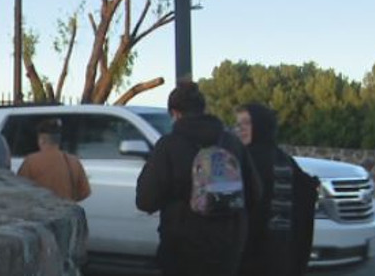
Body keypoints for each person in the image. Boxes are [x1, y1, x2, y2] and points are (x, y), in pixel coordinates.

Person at [136, 82, 261, 276]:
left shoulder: (168, 146)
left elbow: (145, 200)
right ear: (203, 109)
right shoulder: (232, 143)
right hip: (228, 246)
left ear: (175, 113)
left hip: (182, 246)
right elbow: (255, 193)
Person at [235, 102, 318, 276]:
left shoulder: (247, 160)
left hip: (258, 254)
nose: (241, 129)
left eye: (247, 123)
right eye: (239, 123)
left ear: (261, 125)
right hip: (271, 253)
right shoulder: (280, 159)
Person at [17, 118, 91, 201]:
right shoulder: (73, 161)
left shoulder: (31, 161)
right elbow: (85, 192)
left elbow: (19, 190)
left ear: (42, 140)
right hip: (66, 208)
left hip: (41, 207)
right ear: (58, 141)